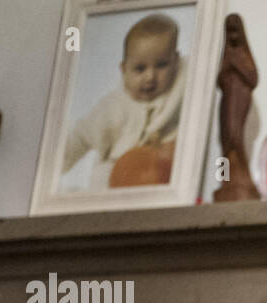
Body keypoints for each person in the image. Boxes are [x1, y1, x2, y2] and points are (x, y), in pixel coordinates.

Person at [61, 13, 187, 190]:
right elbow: (81, 136)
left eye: (161, 65)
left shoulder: (177, 91)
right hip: (115, 174)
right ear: (124, 69)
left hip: (158, 177)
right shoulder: (112, 106)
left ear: (175, 62)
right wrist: (54, 167)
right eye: (140, 68)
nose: (150, 76)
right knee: (102, 178)